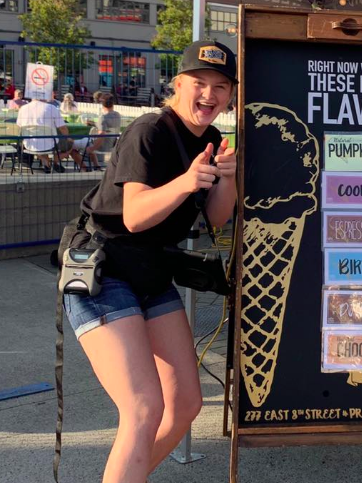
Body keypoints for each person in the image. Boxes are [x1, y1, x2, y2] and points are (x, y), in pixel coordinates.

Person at [63, 40, 237, 483]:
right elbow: (135, 216)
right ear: (178, 84)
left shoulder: (213, 140)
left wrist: (228, 180)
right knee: (143, 407)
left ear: (231, 94)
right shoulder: (149, 131)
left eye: (221, 86)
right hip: (106, 270)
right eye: (199, 83)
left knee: (185, 406)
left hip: (152, 273)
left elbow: (217, 218)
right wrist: (185, 182)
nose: (209, 95)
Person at [16, 98, 83, 172]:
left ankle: (47, 163)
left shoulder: (23, 109)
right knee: (71, 144)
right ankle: (52, 162)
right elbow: (63, 128)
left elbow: (19, 128)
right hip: (49, 144)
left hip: (29, 144)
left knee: (40, 144)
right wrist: (68, 138)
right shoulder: (51, 108)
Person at [72, 93, 121, 170]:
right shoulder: (117, 115)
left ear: (102, 103)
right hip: (111, 144)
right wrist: (94, 124)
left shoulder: (103, 117)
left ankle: (85, 168)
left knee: (71, 146)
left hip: (100, 146)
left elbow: (101, 135)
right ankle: (96, 166)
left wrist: (92, 148)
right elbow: (107, 128)